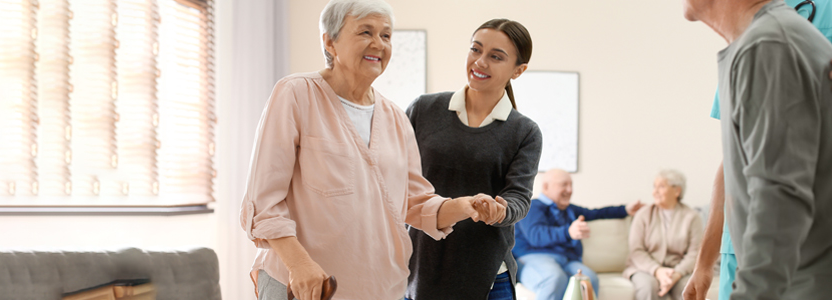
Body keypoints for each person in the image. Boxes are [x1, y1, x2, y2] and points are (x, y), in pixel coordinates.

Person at [238, 1, 505, 299]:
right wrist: (299, 264)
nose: (378, 44)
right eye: (366, 32)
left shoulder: (396, 119)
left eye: (386, 36)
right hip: (301, 285)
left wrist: (463, 206)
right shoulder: (296, 94)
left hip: (376, 288)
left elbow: (413, 203)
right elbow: (263, 200)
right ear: (330, 41)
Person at [682, 1, 832, 299]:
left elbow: (781, 197)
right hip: (758, 251)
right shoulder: (757, 39)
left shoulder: (772, 42)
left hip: (809, 266)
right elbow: (736, 160)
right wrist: (705, 263)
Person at [404, 19, 543, 300]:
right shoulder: (424, 110)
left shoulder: (525, 131)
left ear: (518, 70)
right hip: (421, 264)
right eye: (475, 50)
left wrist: (500, 210)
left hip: (489, 275)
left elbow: (518, 196)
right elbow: (394, 177)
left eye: (495, 56)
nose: (480, 62)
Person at [512, 169, 644, 300]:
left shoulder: (570, 210)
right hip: (533, 258)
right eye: (564, 185)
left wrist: (625, 209)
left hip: (567, 260)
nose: (570, 190)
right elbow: (537, 236)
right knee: (555, 278)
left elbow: (598, 213)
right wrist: (568, 231)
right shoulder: (532, 206)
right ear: (546, 187)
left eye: (571, 185)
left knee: (588, 279)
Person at [623, 170, 703, 300]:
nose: (655, 192)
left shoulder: (692, 217)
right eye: (654, 187)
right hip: (644, 269)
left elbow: (696, 253)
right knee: (648, 286)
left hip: (678, 271)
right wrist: (657, 271)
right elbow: (636, 251)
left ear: (677, 191)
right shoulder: (643, 215)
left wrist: (676, 274)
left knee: (689, 288)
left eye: (661, 186)